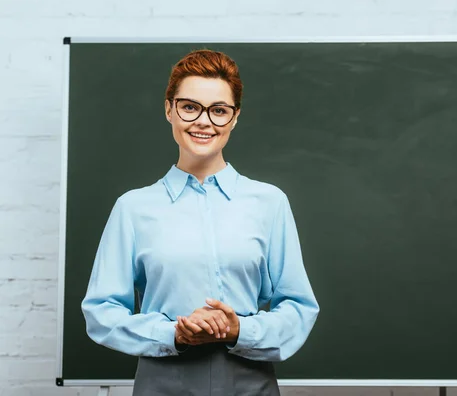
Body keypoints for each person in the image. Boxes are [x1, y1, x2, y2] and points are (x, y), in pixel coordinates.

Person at [81, 49, 320, 396]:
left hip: (250, 384)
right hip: (161, 384)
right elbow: (101, 312)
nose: (204, 122)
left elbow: (298, 307)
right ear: (169, 109)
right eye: (190, 107)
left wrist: (239, 330)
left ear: (234, 118)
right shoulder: (132, 208)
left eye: (219, 111)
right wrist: (172, 333)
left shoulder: (270, 203)